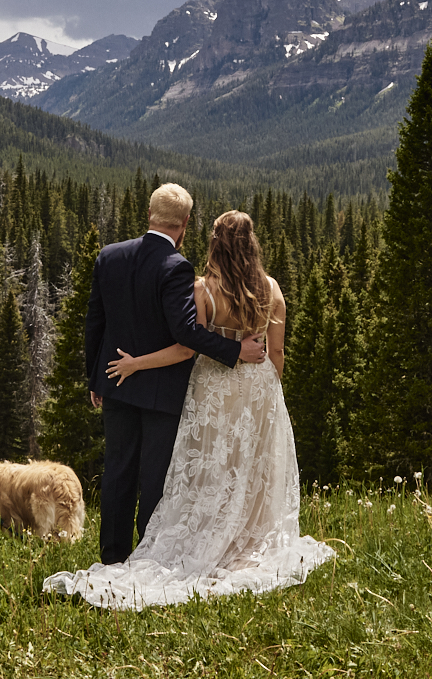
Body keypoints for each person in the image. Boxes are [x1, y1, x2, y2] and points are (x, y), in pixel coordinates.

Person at [43, 210, 335, 608]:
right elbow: (277, 351)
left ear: (215, 244)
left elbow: (187, 345)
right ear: (252, 246)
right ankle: (244, 544)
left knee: (209, 469)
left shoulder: (204, 290)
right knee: (250, 468)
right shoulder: (272, 289)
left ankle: (184, 541)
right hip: (259, 390)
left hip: (214, 388)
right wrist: (272, 392)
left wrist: (131, 364)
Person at [77, 184, 265, 567]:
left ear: (150, 214)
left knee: (117, 472)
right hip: (162, 391)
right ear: (185, 224)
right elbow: (185, 333)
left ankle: (113, 558)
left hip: (115, 380)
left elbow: (95, 320)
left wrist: (94, 377)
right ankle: (147, 559)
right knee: (155, 477)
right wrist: (235, 350)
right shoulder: (176, 266)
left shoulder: (109, 256)